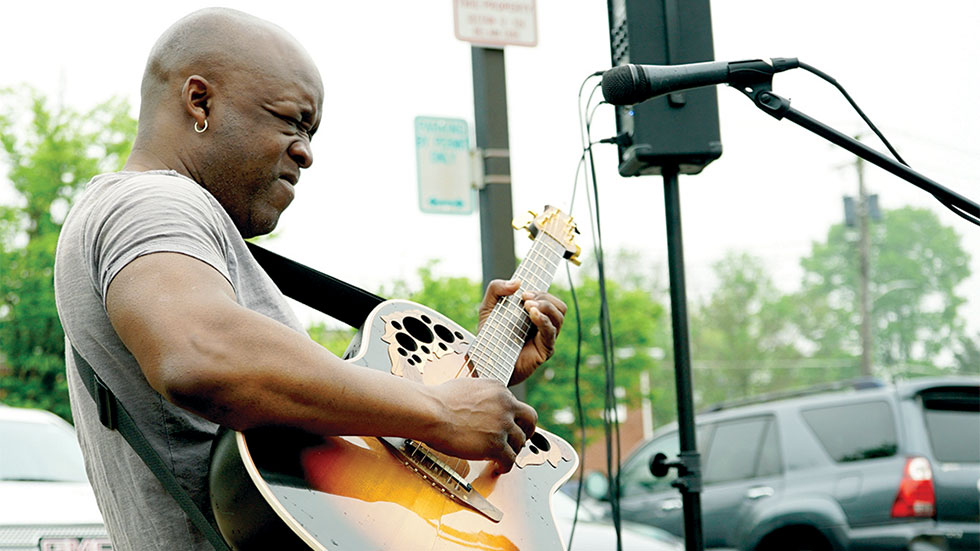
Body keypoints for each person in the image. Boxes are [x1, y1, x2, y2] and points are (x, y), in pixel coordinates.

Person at [53, 7, 566, 551]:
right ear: (199, 100)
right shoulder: (152, 202)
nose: (307, 152)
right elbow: (202, 354)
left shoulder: (174, 226)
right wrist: (439, 411)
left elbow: (321, 441)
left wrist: (476, 371)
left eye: (311, 131)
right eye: (291, 121)